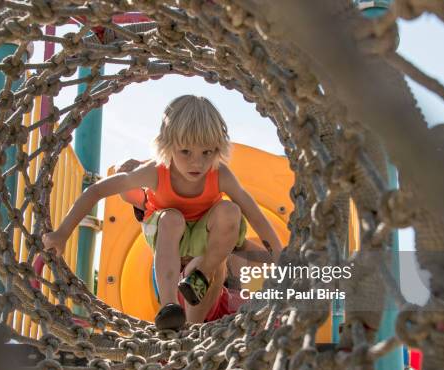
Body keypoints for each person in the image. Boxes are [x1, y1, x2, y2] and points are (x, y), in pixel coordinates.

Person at [42, 95, 282, 330]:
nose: (197, 163)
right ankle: (169, 306)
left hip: (204, 237)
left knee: (231, 210)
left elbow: (255, 214)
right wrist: (62, 233)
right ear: (168, 146)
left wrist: (282, 256)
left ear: (217, 149)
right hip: (168, 233)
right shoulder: (155, 172)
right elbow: (96, 191)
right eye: (186, 152)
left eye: (206, 152)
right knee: (172, 218)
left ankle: (201, 281)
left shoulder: (220, 174)